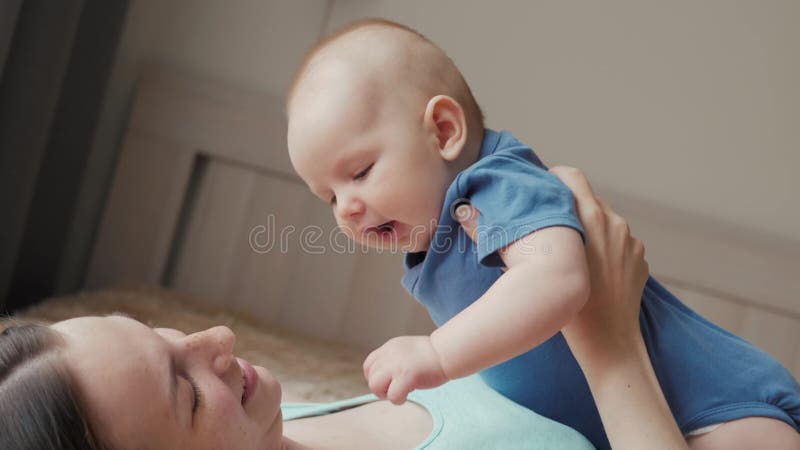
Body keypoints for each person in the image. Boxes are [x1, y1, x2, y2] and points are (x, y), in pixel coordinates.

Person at [285, 17, 800, 449]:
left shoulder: (496, 182)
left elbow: (557, 278)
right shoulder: (442, 236)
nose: (346, 209)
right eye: (328, 197)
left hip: (727, 407)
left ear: (443, 130)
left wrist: (438, 353)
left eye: (359, 172)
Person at [0, 167, 693, 450]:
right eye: (184, 393)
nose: (215, 336)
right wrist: (609, 340)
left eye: (158, 332)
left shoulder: (274, 422)